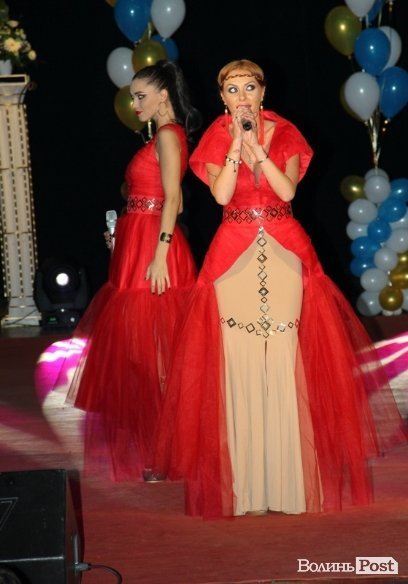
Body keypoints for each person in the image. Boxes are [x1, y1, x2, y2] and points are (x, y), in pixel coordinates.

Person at [151, 59, 406, 518]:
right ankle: (246, 489)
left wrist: (258, 148)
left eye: (249, 87)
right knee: (240, 361)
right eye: (232, 89)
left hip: (285, 249)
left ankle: (289, 486)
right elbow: (222, 195)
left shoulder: (286, 133)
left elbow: (287, 192)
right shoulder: (214, 137)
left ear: (263, 92)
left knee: (285, 358)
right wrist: (235, 146)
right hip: (233, 252)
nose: (242, 96)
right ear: (222, 97)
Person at [65, 60, 200, 482]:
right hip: (137, 243)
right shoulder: (163, 136)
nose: (135, 104)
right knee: (143, 356)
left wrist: (159, 253)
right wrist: (123, 234)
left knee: (156, 357)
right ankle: (162, 449)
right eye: (133, 97)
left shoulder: (168, 134)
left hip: (154, 248)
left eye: (141, 96)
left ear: (164, 94)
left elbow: (174, 199)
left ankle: (170, 450)